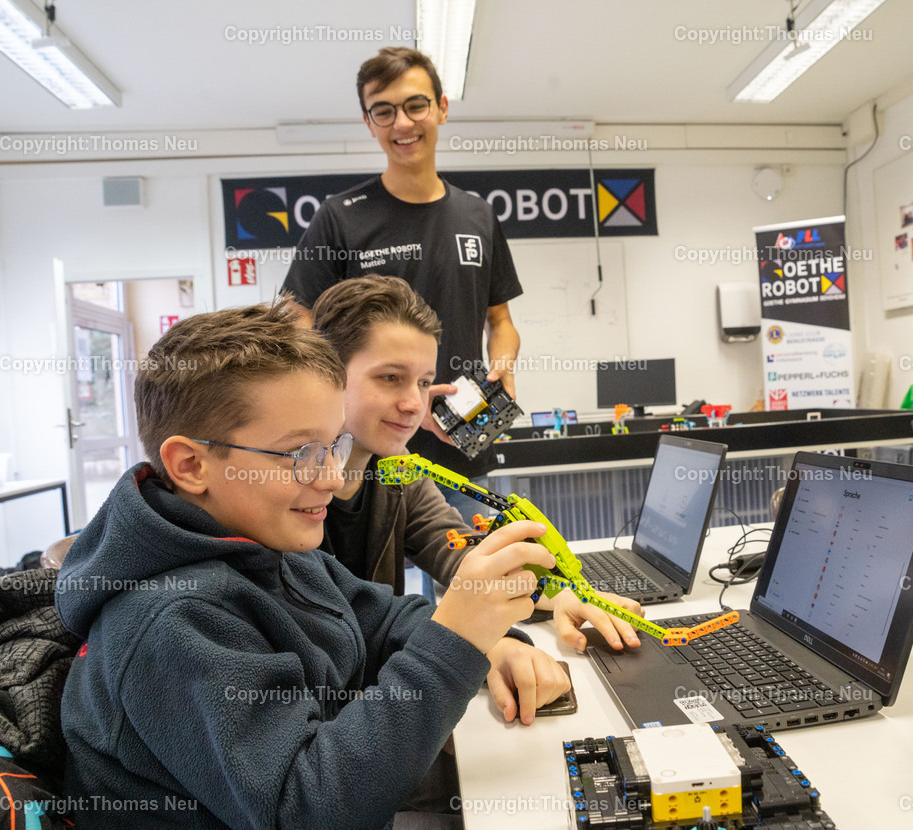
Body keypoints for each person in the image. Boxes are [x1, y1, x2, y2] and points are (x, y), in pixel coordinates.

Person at [54, 298, 560, 829]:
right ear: (191, 464)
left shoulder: (267, 546)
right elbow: (309, 809)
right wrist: (455, 641)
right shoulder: (169, 624)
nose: (331, 478)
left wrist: (492, 643)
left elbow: (383, 620)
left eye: (333, 446)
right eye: (301, 454)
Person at [311, 276, 643, 722]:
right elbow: (348, 619)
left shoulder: (399, 470)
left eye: (424, 382)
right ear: (326, 374)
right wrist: (479, 642)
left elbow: (455, 548)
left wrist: (556, 592)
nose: (414, 403)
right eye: (390, 378)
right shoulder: (287, 491)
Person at [282, 47, 522, 514]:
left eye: (415, 105)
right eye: (384, 111)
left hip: (463, 436)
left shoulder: (478, 216)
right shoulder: (339, 219)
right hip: (359, 453)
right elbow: (297, 328)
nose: (402, 124)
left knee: (479, 576)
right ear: (369, 122)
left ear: (442, 108)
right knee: (359, 582)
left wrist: (504, 367)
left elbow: (502, 320)